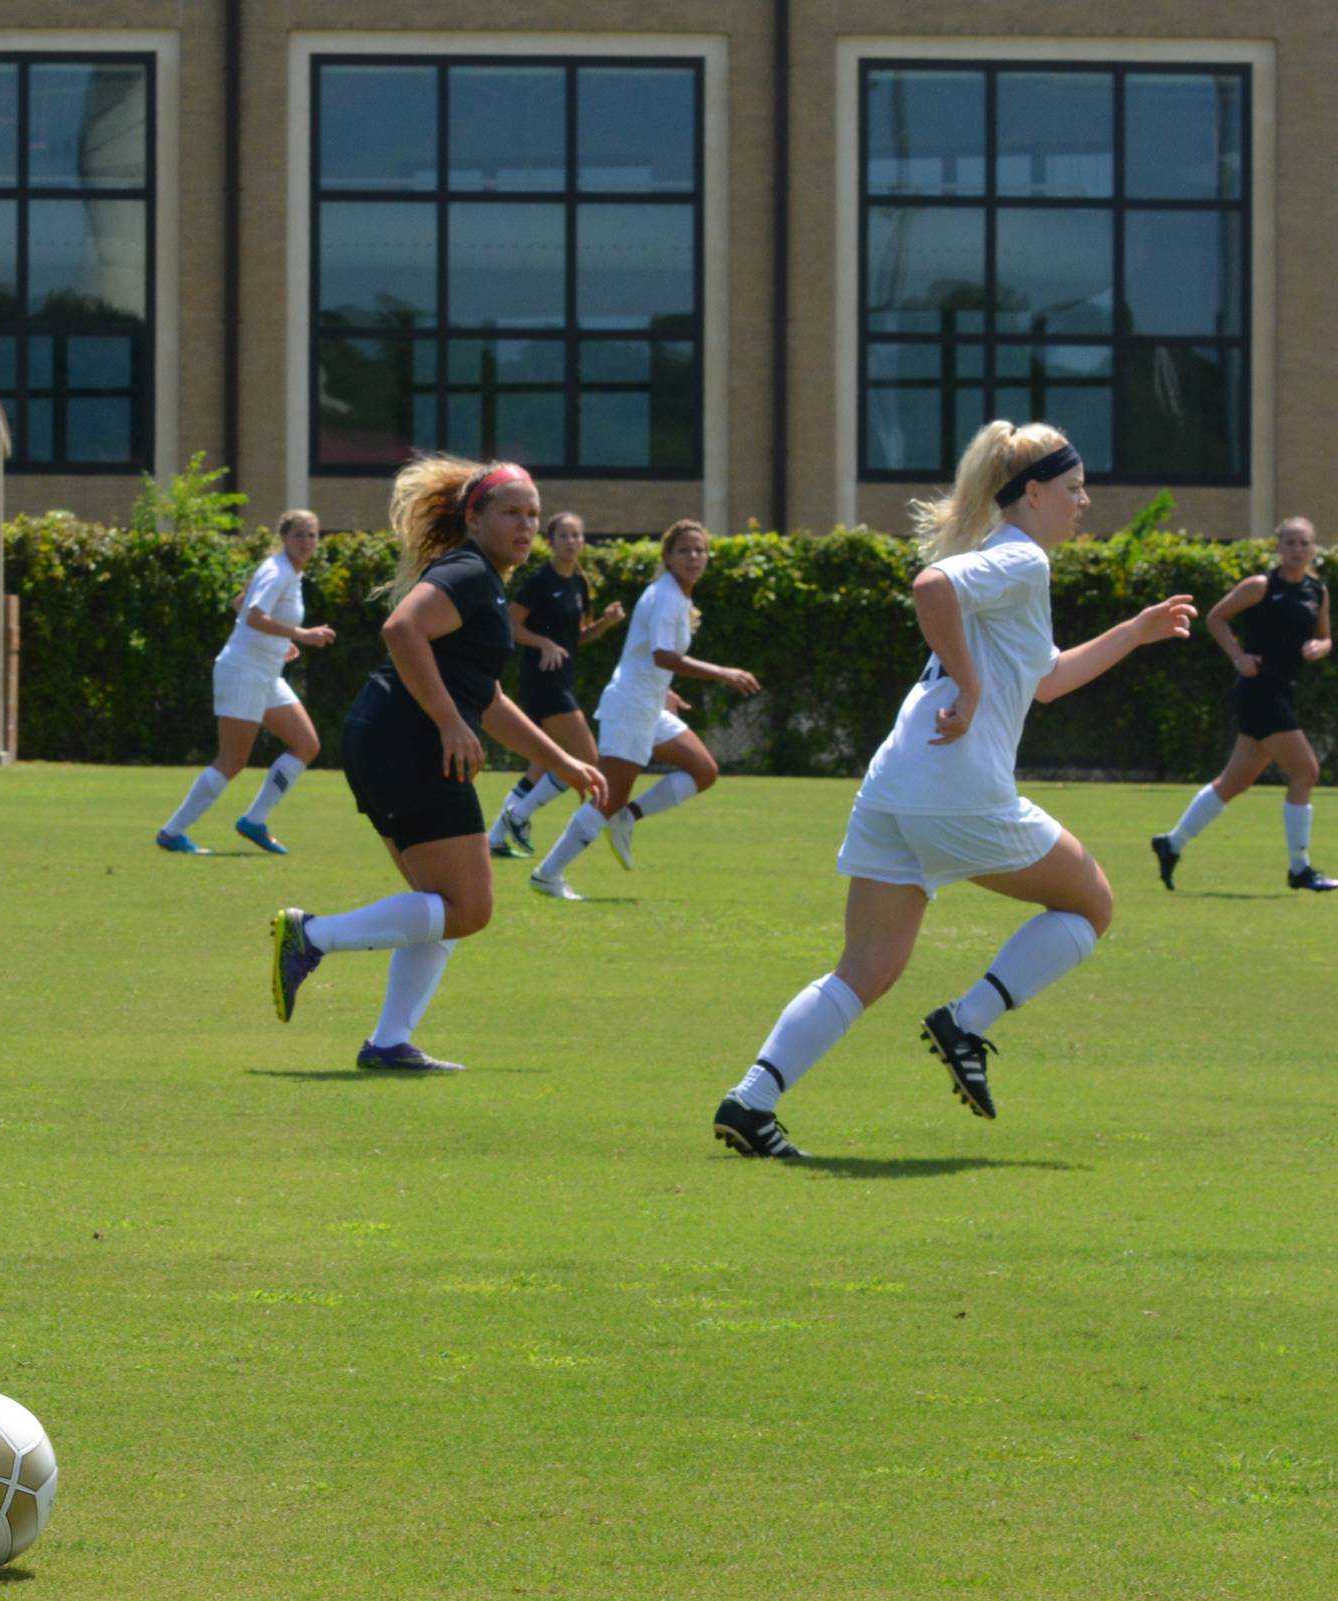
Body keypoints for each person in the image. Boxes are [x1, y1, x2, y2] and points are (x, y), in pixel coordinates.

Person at [713, 422, 1193, 1160]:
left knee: (865, 968)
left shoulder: (1009, 562)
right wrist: (969, 687)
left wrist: (1134, 630)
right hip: (956, 787)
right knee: (1091, 902)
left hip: (894, 784)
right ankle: (965, 1022)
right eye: (1072, 488)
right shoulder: (1021, 557)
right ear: (1032, 494)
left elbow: (1048, 682)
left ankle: (751, 1102)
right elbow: (929, 584)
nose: (1085, 502)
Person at [266, 459, 608, 1070]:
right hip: (409, 740)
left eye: (533, 514)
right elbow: (401, 630)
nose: (527, 524)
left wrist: (564, 760)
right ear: (473, 518)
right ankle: (309, 936)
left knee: (440, 903)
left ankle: (390, 1043)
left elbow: (491, 698)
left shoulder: (485, 579)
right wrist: (451, 722)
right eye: (511, 512)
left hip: (389, 737)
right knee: (468, 908)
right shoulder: (471, 570)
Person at [529, 520, 759, 898]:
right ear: (667, 557)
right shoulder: (667, 596)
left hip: (648, 705)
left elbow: (650, 659)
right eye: (684, 550)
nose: (694, 557)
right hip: (631, 707)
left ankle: (629, 816)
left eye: (700, 550)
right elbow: (663, 655)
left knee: (704, 770)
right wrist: (723, 673)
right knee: (608, 797)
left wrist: (665, 693)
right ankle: (547, 874)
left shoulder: (677, 596)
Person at [1150, 516, 1336, 892]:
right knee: (1306, 771)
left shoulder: (1318, 591)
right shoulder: (1260, 586)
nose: (1297, 550)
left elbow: (1325, 637)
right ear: (1279, 547)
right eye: (1290, 543)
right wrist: (1238, 656)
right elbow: (1216, 618)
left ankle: (1172, 843)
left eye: (1304, 543)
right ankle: (1299, 869)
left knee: (1233, 782)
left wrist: (1321, 647)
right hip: (1257, 692)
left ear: (1313, 548)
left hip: (1283, 690)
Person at [158, 510, 330, 856]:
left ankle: (254, 820)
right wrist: (300, 634)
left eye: (311, 535)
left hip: (265, 672)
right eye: (299, 535)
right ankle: (172, 832)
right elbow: (253, 614)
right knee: (233, 759)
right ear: (284, 537)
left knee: (306, 745)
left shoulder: (287, 572)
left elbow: (241, 603)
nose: (306, 542)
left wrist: (281, 642)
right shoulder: (278, 570)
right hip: (243, 671)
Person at [489, 510, 623, 855]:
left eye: (576, 535)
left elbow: (576, 638)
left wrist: (606, 624)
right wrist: (542, 643)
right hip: (543, 682)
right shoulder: (540, 582)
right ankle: (519, 815)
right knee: (586, 760)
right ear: (549, 543)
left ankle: (495, 837)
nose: (570, 542)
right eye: (563, 536)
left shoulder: (578, 584)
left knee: (546, 762)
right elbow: (508, 624)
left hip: (563, 679)